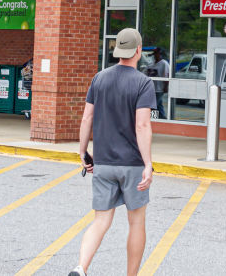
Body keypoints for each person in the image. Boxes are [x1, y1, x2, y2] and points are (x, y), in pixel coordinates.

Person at [70, 27, 155, 276]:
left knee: (100, 221)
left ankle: (80, 267)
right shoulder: (143, 83)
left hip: (104, 163)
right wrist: (148, 163)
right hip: (132, 165)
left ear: (118, 50)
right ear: (138, 50)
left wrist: (83, 151)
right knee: (136, 222)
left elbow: (87, 118)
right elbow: (142, 125)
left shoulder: (100, 78)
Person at [149, 48, 170, 119]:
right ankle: (163, 118)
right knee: (159, 105)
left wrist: (166, 86)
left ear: (160, 54)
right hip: (152, 89)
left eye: (156, 54)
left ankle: (153, 119)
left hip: (159, 89)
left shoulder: (164, 63)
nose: (155, 56)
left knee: (153, 105)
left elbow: (167, 75)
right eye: (154, 54)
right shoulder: (152, 64)